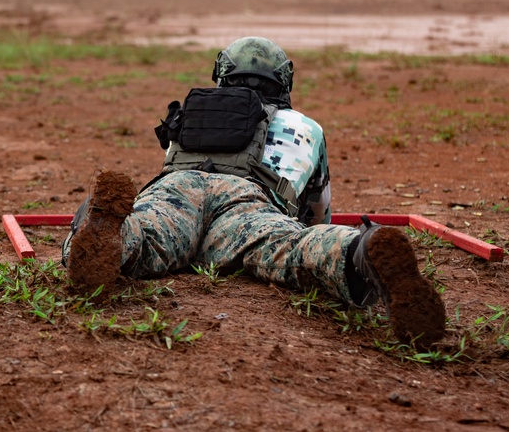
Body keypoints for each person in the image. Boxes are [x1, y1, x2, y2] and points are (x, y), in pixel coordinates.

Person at [63, 36, 446, 348]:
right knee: (293, 248)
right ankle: (361, 250)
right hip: (247, 201)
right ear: (284, 81)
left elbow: (172, 163)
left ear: (222, 75)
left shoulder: (192, 113)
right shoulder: (306, 127)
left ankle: (105, 226)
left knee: (148, 233)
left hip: (178, 188)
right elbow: (318, 209)